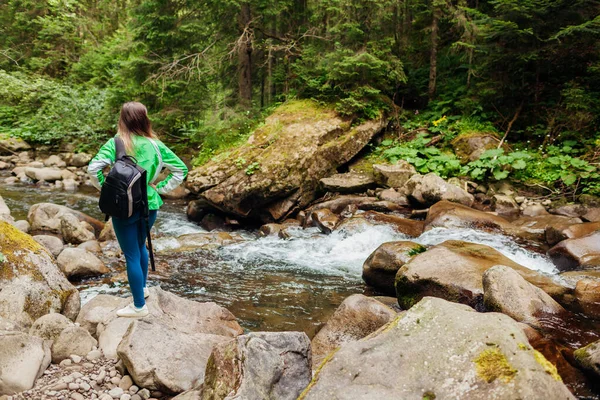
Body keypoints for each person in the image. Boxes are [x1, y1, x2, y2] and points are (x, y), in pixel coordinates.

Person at [88, 102, 188, 318]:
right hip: (149, 204)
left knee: (131, 254)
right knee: (141, 246)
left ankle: (139, 306)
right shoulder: (155, 145)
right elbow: (181, 169)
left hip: (122, 206)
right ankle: (142, 289)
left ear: (123, 119)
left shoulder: (116, 143)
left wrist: (106, 188)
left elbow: (93, 168)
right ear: (144, 119)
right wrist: (160, 188)